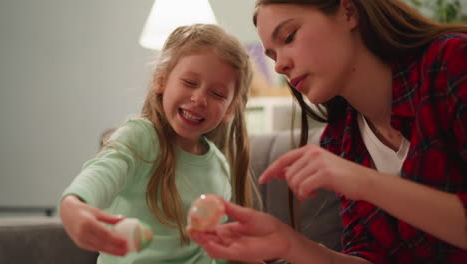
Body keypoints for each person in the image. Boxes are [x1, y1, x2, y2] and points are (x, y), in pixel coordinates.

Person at [189, 1, 467, 263]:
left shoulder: (452, 63)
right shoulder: (342, 138)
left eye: (289, 37)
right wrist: (289, 243)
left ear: (348, 11)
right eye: (272, 56)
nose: (279, 65)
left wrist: (363, 181)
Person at [59, 24, 259, 264]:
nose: (199, 99)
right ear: (161, 80)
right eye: (189, 82)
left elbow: (213, 250)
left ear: (230, 110)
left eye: (217, 94)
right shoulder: (140, 137)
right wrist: (74, 204)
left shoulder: (219, 167)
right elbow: (100, 174)